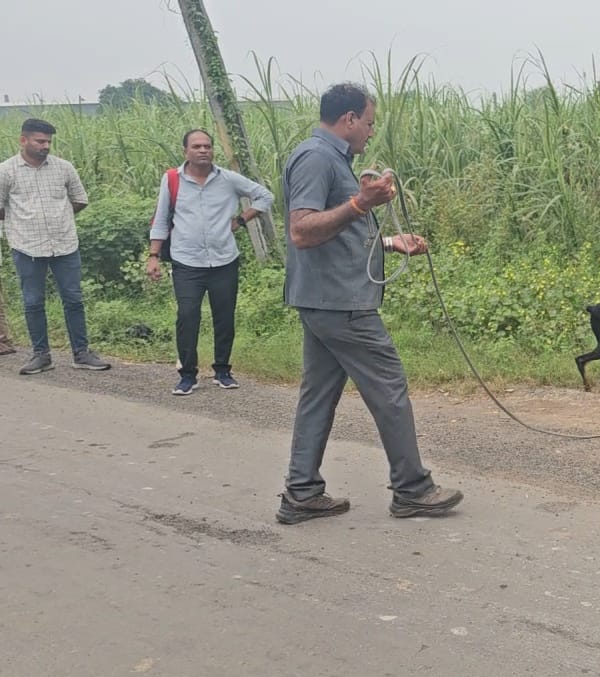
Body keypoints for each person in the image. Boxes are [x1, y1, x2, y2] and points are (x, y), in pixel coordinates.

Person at [275, 82, 463, 524]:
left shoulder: (331, 159)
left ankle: (301, 492)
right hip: (340, 303)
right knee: (389, 384)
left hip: (327, 299)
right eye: (369, 122)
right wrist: (361, 202)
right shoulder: (317, 158)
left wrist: (391, 243)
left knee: (318, 394)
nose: (371, 132)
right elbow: (302, 231)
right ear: (349, 120)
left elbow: (336, 233)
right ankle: (413, 489)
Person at [146, 129, 274, 395]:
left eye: (207, 146)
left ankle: (223, 370)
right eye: (196, 146)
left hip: (224, 261)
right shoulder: (172, 180)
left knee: (224, 318)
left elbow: (265, 196)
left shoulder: (227, 180)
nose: (203, 150)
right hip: (187, 261)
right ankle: (188, 375)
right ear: (186, 151)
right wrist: (153, 256)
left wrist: (241, 220)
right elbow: (160, 219)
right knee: (187, 315)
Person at [0, 118, 110, 374]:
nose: (45, 146)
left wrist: (60, 215)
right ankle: (41, 356)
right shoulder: (6, 171)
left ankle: (81, 353)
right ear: (23, 140)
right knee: (33, 301)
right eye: (40, 141)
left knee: (73, 299)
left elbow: (80, 199)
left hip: (65, 244)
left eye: (48, 141)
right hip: (27, 246)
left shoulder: (63, 168)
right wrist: (23, 219)